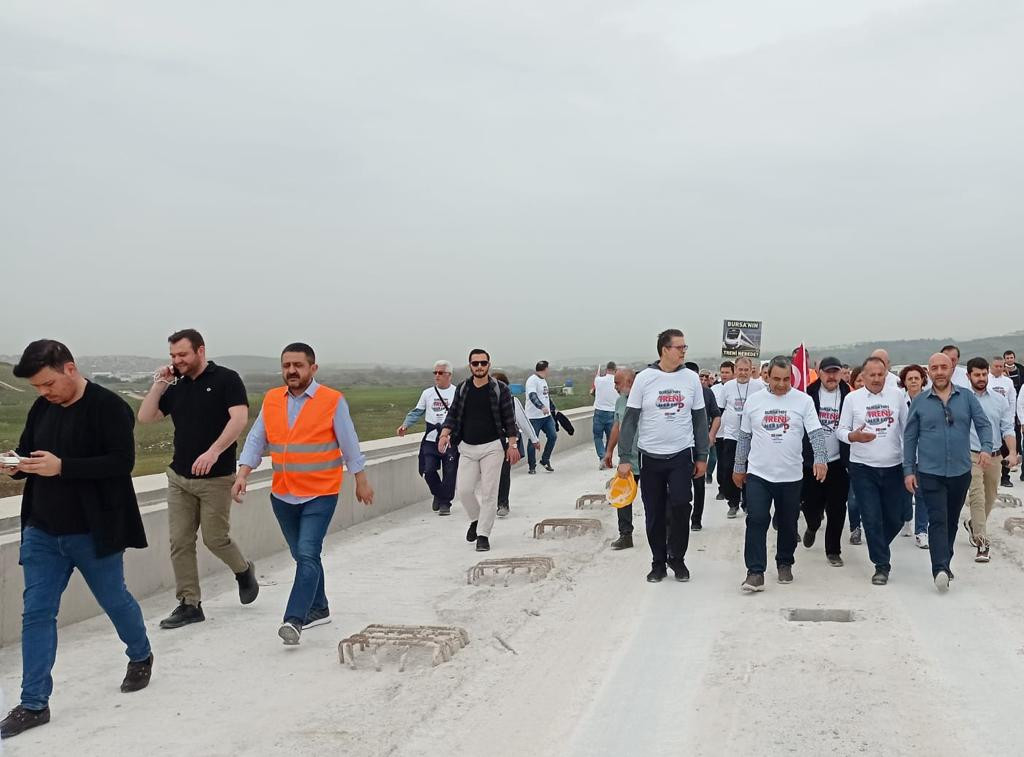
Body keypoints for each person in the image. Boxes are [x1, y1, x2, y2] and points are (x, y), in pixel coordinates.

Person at [1, 340, 152, 740]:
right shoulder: (41, 408)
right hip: (42, 530)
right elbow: (29, 450)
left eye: (48, 383)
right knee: (36, 613)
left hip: (92, 530)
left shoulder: (110, 407)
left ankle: (141, 655)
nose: (44, 393)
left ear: (69, 368)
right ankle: (33, 703)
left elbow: (122, 462)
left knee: (114, 599)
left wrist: (62, 467)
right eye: (37, 388)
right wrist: (16, 464)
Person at [233, 343, 374, 645]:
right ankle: (320, 607)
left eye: (298, 365)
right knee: (302, 556)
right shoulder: (272, 400)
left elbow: (349, 444)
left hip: (320, 492)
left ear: (313, 368)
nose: (292, 371)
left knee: (308, 553)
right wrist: (243, 473)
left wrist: (360, 480)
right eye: (286, 365)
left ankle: (294, 619)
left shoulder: (332, 400)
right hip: (283, 495)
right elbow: (257, 439)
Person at [137, 329, 257, 630]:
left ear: (200, 351)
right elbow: (146, 417)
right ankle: (190, 604)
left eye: (183, 355)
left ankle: (243, 571)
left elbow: (239, 419)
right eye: (173, 356)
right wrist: (160, 384)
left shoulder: (226, 379)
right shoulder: (175, 387)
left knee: (215, 538)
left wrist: (215, 452)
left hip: (216, 477)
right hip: (179, 477)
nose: (177, 361)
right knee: (180, 541)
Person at [616, 329, 709, 583]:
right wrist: (624, 457)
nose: (683, 351)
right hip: (650, 457)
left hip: (681, 455)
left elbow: (700, 421)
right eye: (679, 347)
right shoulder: (645, 379)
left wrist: (702, 456)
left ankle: (677, 558)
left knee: (681, 505)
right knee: (654, 512)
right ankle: (658, 562)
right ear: (664, 350)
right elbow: (630, 420)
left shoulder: (691, 379)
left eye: (684, 347)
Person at [734, 356, 829, 591]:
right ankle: (755, 571)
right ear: (767, 376)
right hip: (759, 473)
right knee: (756, 519)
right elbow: (744, 436)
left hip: (790, 475)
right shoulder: (755, 401)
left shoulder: (803, 401)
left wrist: (820, 458)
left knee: (788, 523)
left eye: (786, 379)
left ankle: (785, 562)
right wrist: (738, 466)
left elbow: (815, 432)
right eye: (776, 379)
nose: (781, 384)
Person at [904, 353, 992, 591]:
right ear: (928, 372)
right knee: (938, 519)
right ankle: (939, 568)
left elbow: (983, 424)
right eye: (935, 368)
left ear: (952, 369)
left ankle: (946, 561)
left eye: (944, 367)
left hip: (960, 471)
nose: (940, 371)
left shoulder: (967, 398)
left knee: (951, 520)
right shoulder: (921, 401)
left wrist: (986, 448)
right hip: (930, 472)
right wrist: (908, 470)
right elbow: (910, 438)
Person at [437, 349, 520, 552]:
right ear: (470, 366)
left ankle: (483, 535)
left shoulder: (500, 389)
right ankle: (476, 519)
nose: (480, 367)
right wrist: (444, 434)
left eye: (483, 363)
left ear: (489, 365)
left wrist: (513, 445)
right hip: (467, 447)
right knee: (464, 491)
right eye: (476, 363)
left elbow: (510, 419)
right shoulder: (464, 388)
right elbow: (453, 413)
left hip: (493, 447)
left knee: (489, 493)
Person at [836, 357, 909, 586]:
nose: (877, 379)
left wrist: (910, 463)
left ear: (886, 375)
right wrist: (853, 437)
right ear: (863, 376)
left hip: (894, 466)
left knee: (898, 517)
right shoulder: (852, 399)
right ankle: (881, 565)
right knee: (871, 517)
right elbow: (840, 430)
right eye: (872, 375)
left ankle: (879, 544)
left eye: (881, 375)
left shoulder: (897, 396)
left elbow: (907, 430)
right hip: (863, 467)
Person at [963, 358, 1017, 562]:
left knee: (990, 497)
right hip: (972, 455)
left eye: (984, 374)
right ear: (969, 376)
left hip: (995, 455)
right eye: (976, 375)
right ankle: (982, 543)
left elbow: (1007, 428)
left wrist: (1012, 452)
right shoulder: (963, 399)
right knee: (977, 497)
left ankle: (973, 525)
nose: (981, 378)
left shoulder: (999, 400)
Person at [800, 357, 851, 567]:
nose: (831, 376)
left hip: (839, 461)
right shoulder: (808, 395)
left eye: (835, 372)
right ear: (819, 373)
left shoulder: (849, 395)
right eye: (827, 372)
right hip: (812, 461)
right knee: (811, 506)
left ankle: (833, 550)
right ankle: (812, 526)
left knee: (837, 508)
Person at [397, 360, 458, 516]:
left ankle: (445, 503)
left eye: (440, 373)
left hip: (450, 438)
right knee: (428, 470)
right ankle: (438, 494)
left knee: (450, 472)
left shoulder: (457, 393)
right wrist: (405, 425)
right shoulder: (427, 393)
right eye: (435, 373)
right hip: (431, 438)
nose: (437, 376)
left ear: (449, 375)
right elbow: (417, 411)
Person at [716, 357, 764, 518]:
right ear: (735, 370)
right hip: (731, 435)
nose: (743, 373)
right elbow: (719, 410)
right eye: (740, 370)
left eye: (746, 370)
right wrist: (712, 431)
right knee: (729, 469)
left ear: (751, 371)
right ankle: (733, 502)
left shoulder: (759, 387)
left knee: (751, 471)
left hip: (753, 436)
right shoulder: (727, 387)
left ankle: (748, 502)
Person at [491, 370, 539, 518]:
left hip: (506, 442)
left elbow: (523, 421)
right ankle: (490, 503)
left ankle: (503, 503)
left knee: (504, 473)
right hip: (488, 443)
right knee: (490, 475)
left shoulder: (512, 401)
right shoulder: (483, 401)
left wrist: (534, 439)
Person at [603, 367, 639, 549]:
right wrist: (609, 450)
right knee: (622, 498)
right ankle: (625, 535)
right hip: (627, 460)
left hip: (648, 458)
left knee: (655, 500)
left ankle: (662, 534)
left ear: (630, 382)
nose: (615, 387)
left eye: (617, 382)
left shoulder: (644, 399)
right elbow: (616, 426)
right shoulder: (620, 402)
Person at [685, 362, 722, 531]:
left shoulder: (707, 393)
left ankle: (696, 518)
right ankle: (682, 514)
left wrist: (711, 435)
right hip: (681, 445)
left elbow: (716, 416)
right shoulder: (678, 393)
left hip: (700, 444)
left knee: (698, 482)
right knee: (680, 483)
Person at [899, 364, 930, 548]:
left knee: (921, 494)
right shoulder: (898, 400)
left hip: (923, 454)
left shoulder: (929, 399)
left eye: (916, 378)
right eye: (909, 378)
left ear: (922, 380)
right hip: (902, 454)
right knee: (904, 493)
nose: (913, 381)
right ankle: (905, 519)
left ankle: (921, 531)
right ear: (904, 381)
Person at [988, 356, 1018, 488]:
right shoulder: (986, 380)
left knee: (1006, 449)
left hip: (1005, 420)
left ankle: (1005, 476)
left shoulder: (1008, 382)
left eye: (1001, 366)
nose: (999, 369)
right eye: (996, 366)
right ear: (991, 366)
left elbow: (1012, 400)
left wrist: (1011, 418)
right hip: (989, 420)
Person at [524, 360, 557, 473]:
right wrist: (541, 407)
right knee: (533, 440)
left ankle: (545, 459)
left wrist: (553, 408)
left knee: (553, 436)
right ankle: (532, 466)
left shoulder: (543, 380)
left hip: (546, 417)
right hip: (534, 417)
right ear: (545, 369)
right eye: (548, 368)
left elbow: (546, 396)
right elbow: (532, 396)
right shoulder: (532, 380)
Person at [846, 365, 865, 545]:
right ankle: (855, 527)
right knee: (853, 500)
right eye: (857, 380)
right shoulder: (849, 401)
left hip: (876, 460)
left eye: (863, 379)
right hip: (853, 458)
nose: (861, 383)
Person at [708, 361, 734, 486]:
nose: (724, 375)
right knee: (721, 462)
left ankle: (732, 487)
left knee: (730, 462)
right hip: (719, 432)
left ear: (733, 373)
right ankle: (721, 488)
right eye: (722, 372)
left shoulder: (737, 389)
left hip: (733, 433)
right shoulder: (714, 390)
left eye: (727, 372)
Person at [591, 362, 619, 468]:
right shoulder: (617, 381)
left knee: (598, 436)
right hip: (612, 412)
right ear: (615, 370)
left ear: (607, 369)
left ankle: (602, 457)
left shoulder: (598, 380)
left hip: (599, 411)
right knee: (610, 438)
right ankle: (607, 459)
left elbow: (594, 389)